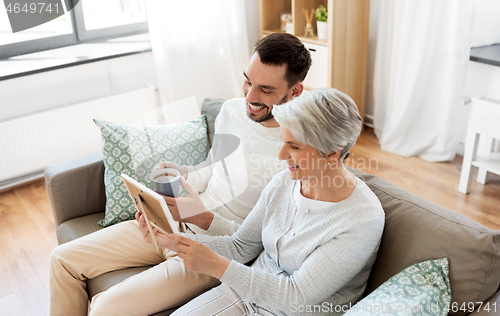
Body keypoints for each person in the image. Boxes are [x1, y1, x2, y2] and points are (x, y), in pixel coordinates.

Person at [49, 33, 312, 316]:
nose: (249, 96)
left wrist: (201, 217)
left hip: (215, 251)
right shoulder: (232, 110)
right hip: (174, 224)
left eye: (265, 90)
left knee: (106, 308)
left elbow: (259, 245)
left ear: (295, 91)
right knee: (62, 260)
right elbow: (216, 165)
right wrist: (184, 174)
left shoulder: (297, 155)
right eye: (247, 81)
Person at [139, 88, 385, 316]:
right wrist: (170, 240)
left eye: (294, 147)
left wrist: (218, 266)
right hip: (241, 293)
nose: (281, 156)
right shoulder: (284, 182)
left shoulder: (362, 219)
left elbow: (295, 296)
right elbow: (240, 246)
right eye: (283, 142)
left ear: (332, 153)